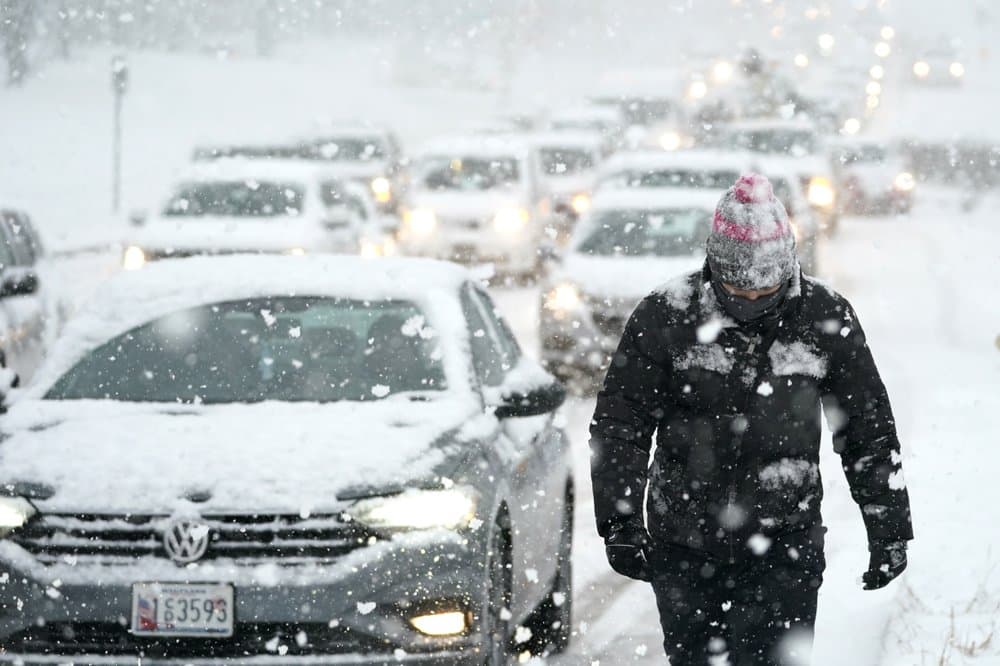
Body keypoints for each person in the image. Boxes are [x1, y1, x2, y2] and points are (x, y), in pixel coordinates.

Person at [589, 173, 913, 665]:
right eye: (739, 288)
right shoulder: (665, 317)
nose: (753, 301)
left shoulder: (823, 318)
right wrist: (621, 520)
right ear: (714, 266)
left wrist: (887, 526)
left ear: (788, 266)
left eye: (766, 289)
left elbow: (867, 428)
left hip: (786, 544)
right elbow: (620, 425)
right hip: (685, 545)